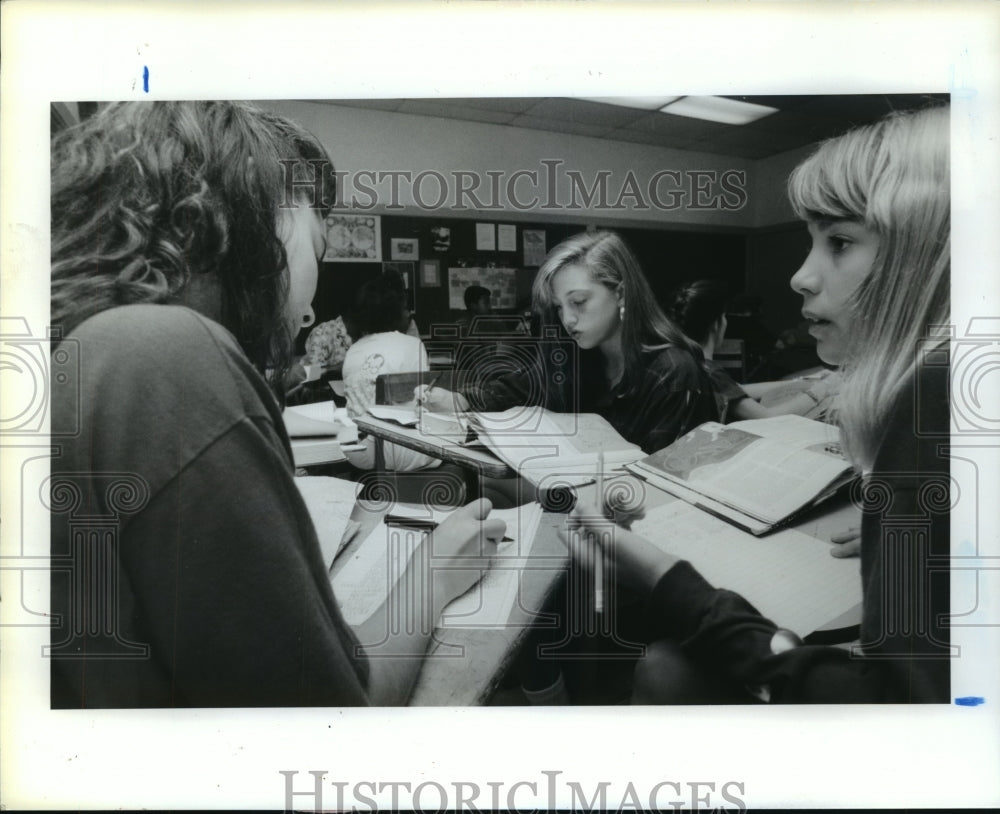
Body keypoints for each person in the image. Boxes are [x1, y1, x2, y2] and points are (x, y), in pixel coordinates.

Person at [48, 101, 505, 708]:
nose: (309, 310)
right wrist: (437, 570)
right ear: (259, 213)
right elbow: (334, 717)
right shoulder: (162, 353)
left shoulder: (84, 346)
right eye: (316, 246)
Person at [565, 105, 951, 703]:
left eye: (840, 242)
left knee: (667, 670)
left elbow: (900, 709)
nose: (800, 276)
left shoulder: (932, 395)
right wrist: (895, 525)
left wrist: (667, 582)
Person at [419, 231, 718, 455]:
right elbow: (522, 386)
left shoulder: (674, 373)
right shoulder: (580, 353)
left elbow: (667, 484)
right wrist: (460, 400)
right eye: (559, 307)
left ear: (622, 294)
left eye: (578, 302)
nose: (568, 319)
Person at [670, 279, 840, 423]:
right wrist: (822, 389)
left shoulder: (693, 363)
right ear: (716, 324)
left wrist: (804, 382)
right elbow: (767, 417)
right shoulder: (709, 371)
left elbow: (738, 389)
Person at [341, 274, 441, 471]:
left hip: (356, 451)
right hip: (401, 449)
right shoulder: (412, 345)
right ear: (397, 311)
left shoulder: (353, 350)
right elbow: (422, 401)